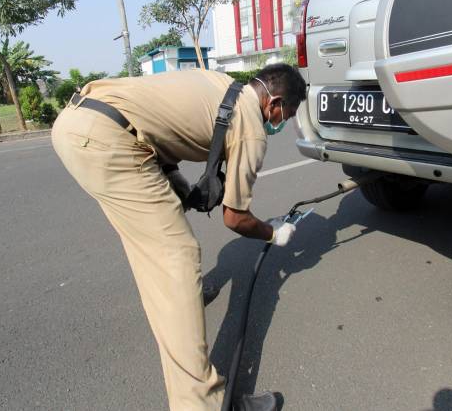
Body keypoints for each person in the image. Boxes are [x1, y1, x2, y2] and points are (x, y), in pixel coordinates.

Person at [51, 63, 306, 411]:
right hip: (108, 140)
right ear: (274, 103)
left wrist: (176, 180)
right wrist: (274, 233)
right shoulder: (251, 127)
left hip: (80, 123)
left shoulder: (222, 85)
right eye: (288, 113)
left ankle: (183, 297)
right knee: (177, 256)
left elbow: (156, 118)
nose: (284, 122)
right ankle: (204, 403)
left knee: (151, 247)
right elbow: (235, 217)